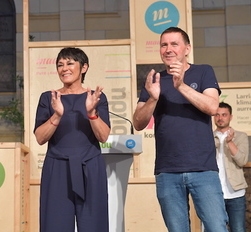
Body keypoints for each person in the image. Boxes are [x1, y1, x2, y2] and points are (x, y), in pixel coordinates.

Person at [133, 27, 228, 232]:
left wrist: (181, 86)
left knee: (217, 226)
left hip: (203, 169)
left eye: (174, 44)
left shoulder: (203, 71)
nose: (168, 49)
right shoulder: (154, 81)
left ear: (187, 48)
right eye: (164, 45)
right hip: (167, 171)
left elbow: (212, 107)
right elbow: (138, 123)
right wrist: (153, 98)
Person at [34, 47, 111, 232]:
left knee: (94, 225)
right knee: (55, 225)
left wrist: (92, 113)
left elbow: (103, 136)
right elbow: (40, 138)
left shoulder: (95, 97)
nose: (64, 68)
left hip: (90, 167)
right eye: (60, 65)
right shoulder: (49, 98)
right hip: (57, 169)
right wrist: (57, 116)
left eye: (70, 63)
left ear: (84, 68)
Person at [213, 102, 248, 232]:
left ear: (230, 117)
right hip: (214, 194)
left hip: (236, 194)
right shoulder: (208, 138)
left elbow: (242, 161)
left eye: (224, 115)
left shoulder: (240, 136)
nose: (220, 118)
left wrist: (229, 142)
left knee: (238, 229)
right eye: (217, 115)